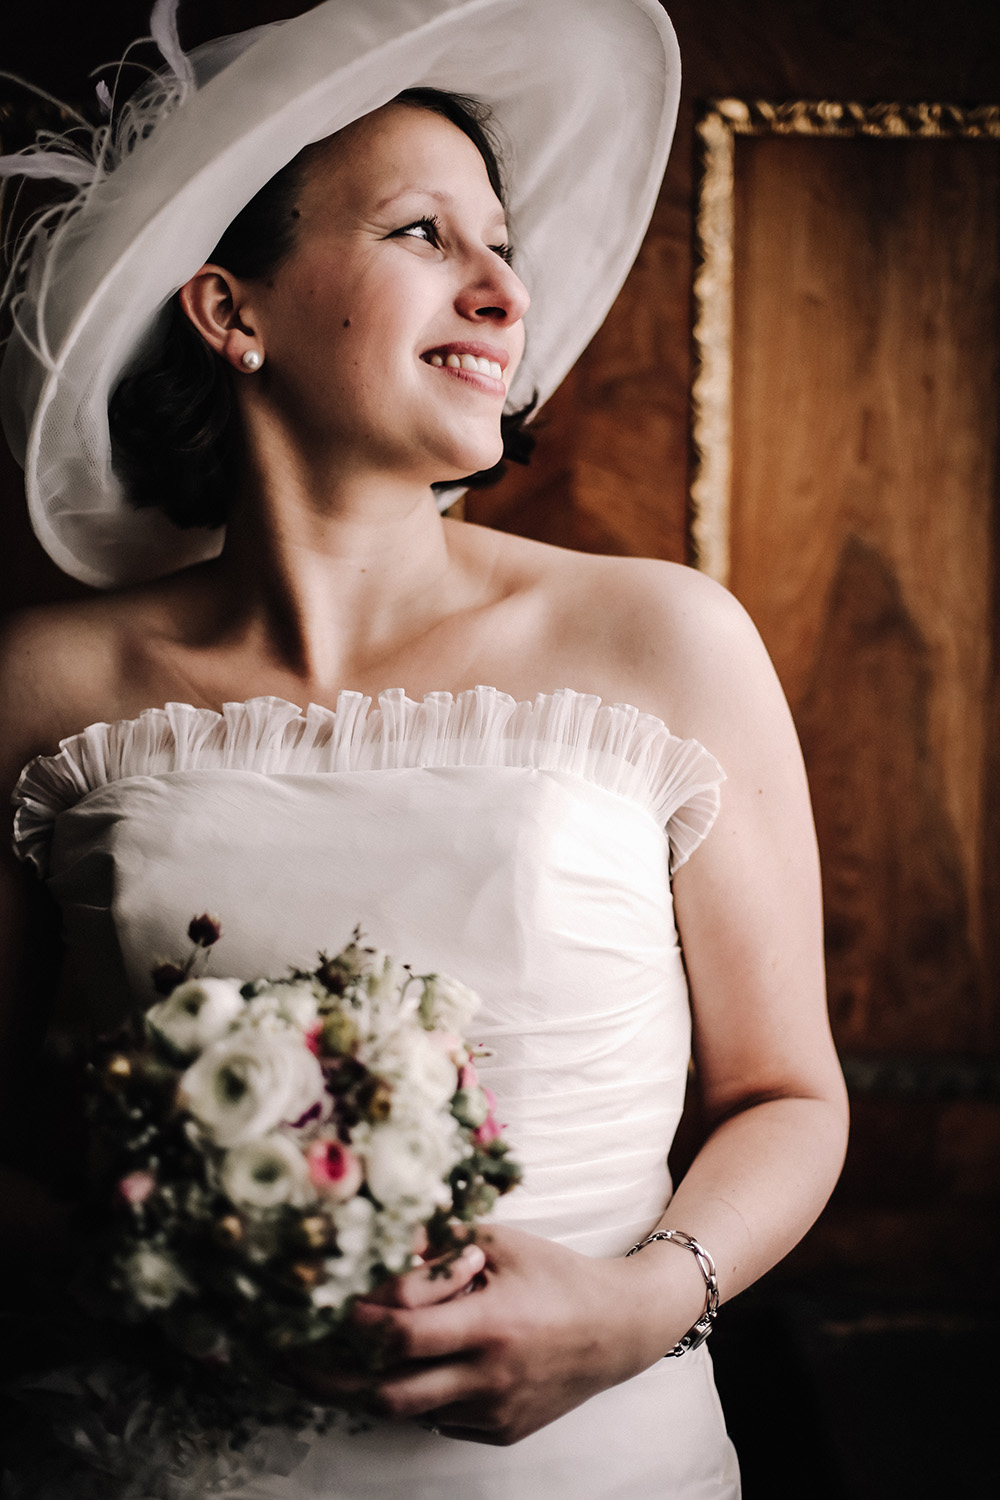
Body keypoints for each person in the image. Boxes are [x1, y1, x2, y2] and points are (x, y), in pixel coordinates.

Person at [0, 1, 849, 1495]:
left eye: (503, 248)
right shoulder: (45, 685)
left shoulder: (667, 641)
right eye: (424, 234)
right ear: (230, 310)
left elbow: (790, 1097)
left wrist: (637, 1306)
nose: (502, 291)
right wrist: (155, 1271)